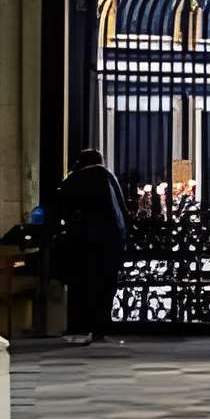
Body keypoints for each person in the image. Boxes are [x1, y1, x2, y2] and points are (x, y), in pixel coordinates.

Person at [54, 147, 127, 344]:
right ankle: (101, 326)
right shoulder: (109, 178)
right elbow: (121, 210)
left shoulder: (74, 180)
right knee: (106, 286)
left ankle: (82, 326)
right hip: (111, 241)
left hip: (83, 243)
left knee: (84, 286)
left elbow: (62, 211)